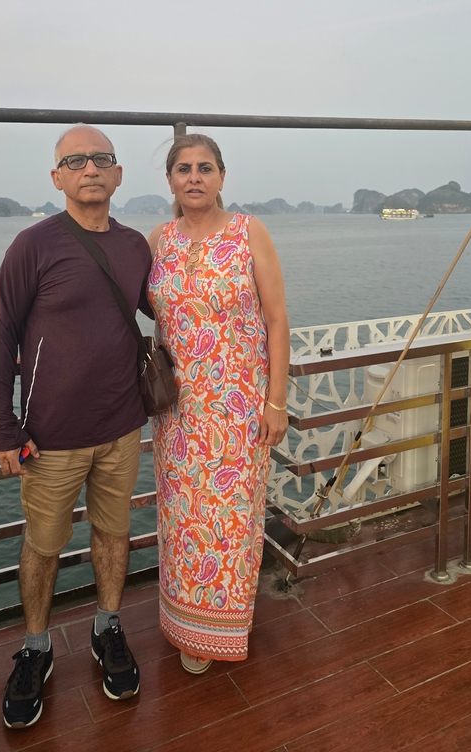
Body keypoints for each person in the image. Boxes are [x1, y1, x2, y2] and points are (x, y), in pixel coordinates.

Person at [0, 125, 152, 729]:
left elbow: (173, 312)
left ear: (118, 174)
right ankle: (36, 647)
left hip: (123, 425)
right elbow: (3, 336)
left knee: (113, 535)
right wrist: (3, 426)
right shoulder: (33, 245)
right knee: (44, 546)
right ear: (57, 177)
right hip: (49, 438)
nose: (90, 168)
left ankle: (107, 629)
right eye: (74, 161)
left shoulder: (136, 246)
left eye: (101, 159)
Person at [146, 133, 290, 674]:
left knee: (231, 522)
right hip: (179, 416)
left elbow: (277, 320)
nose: (194, 178)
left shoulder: (249, 232)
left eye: (205, 168)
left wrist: (276, 402)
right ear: (170, 181)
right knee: (184, 522)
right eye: (183, 169)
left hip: (238, 410)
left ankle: (225, 626)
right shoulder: (159, 240)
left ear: (222, 177)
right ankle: (187, 625)